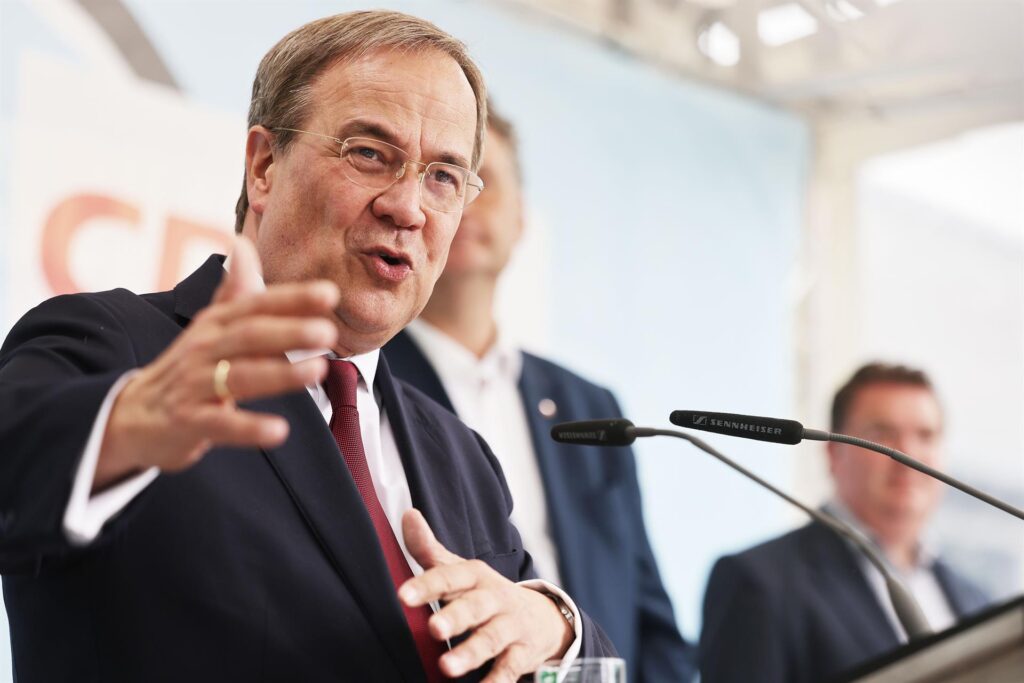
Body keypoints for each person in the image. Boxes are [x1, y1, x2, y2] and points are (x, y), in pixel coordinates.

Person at [0, 11, 616, 682]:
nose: (409, 207)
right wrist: (121, 428)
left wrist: (555, 625)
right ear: (264, 166)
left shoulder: (461, 455)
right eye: (370, 153)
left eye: (443, 175)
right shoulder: (120, 346)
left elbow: (578, 656)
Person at [383, 104, 694, 682]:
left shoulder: (590, 406)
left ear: (523, 217)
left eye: (485, 180)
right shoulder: (366, 382)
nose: (467, 201)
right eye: (445, 179)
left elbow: (650, 618)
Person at [698, 362, 989, 683]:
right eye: (882, 434)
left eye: (926, 436)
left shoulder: (977, 599)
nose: (909, 454)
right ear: (834, 454)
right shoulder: (758, 582)